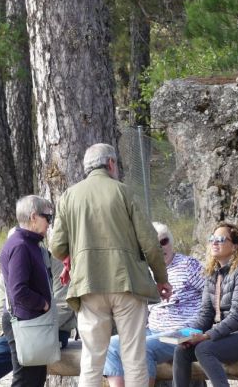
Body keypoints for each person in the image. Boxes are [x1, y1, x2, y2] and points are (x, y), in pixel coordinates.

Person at [50, 143, 172, 387]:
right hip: (127, 283)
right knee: (134, 356)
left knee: (92, 358)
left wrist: (73, 258)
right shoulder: (124, 192)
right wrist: (161, 278)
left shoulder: (69, 196)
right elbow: (149, 242)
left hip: (88, 284)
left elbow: (56, 246)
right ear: (112, 164)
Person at [172, 222, 238, 387]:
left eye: (220, 239)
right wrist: (187, 334)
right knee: (181, 349)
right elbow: (205, 314)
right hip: (232, 335)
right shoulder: (212, 275)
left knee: (204, 349)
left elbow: (237, 316)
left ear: (234, 246)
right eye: (212, 238)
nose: (214, 242)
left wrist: (206, 336)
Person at [104, 222, 205, 387]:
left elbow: (214, 294)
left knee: (142, 349)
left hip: (185, 331)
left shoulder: (188, 265)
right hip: (154, 330)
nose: (160, 247)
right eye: (154, 244)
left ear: (171, 242)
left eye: (164, 241)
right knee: (110, 346)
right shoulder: (146, 272)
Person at [0, 249, 76, 387]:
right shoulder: (9, 267)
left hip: (51, 333)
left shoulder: (54, 264)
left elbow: (64, 306)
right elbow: (1, 307)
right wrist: (13, 330)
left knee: (25, 379)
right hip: (16, 333)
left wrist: (35, 328)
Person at [0, 195, 56, 387]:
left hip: (32, 321)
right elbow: (18, 291)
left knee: (36, 380)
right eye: (48, 217)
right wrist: (43, 303)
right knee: (25, 381)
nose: (50, 223)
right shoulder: (20, 245)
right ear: (33, 216)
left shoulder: (29, 243)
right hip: (25, 323)